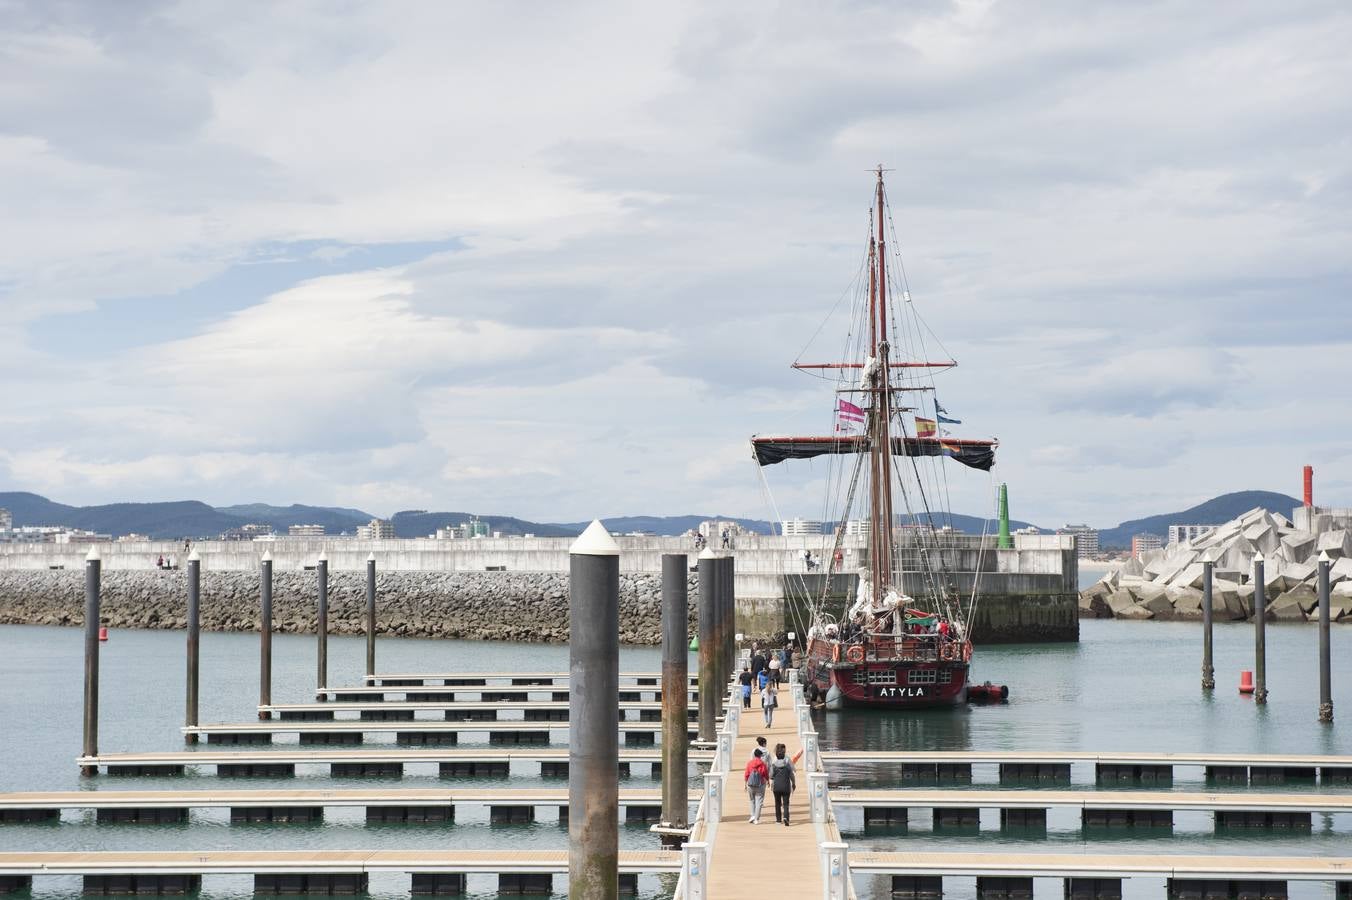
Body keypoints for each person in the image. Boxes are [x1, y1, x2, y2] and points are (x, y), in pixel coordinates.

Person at [770, 742, 797, 826]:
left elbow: (771, 776)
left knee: (777, 803)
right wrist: (793, 783)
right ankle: (786, 817)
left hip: (776, 786)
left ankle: (778, 820)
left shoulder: (773, 765)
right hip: (786, 786)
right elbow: (792, 775)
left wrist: (771, 784)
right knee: (786, 803)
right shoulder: (787, 765)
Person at [743, 747, 769, 824]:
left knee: (752, 800)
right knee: (759, 801)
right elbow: (765, 774)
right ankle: (756, 819)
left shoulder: (749, 763)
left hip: (750, 784)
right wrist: (768, 781)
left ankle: (752, 815)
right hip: (760, 784)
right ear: (760, 756)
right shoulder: (762, 764)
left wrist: (745, 784)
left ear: (754, 755)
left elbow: (746, 774)